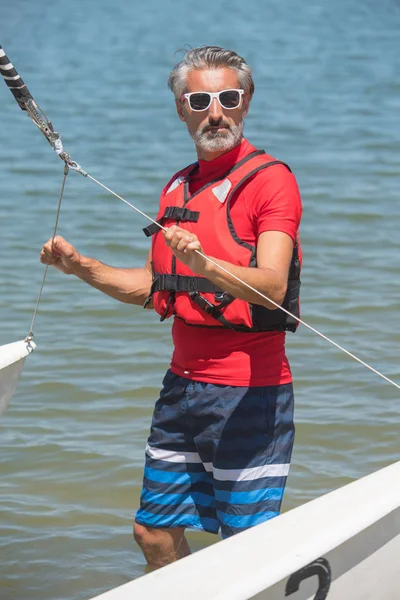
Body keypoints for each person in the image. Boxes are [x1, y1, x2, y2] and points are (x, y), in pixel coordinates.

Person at [40, 45, 302, 570]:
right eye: (200, 99)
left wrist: (207, 266)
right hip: (181, 389)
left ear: (246, 101)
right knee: (153, 531)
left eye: (228, 97)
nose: (216, 112)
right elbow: (154, 288)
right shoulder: (178, 186)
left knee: (249, 547)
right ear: (181, 109)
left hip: (250, 393)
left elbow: (272, 287)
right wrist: (82, 267)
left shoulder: (271, 181)